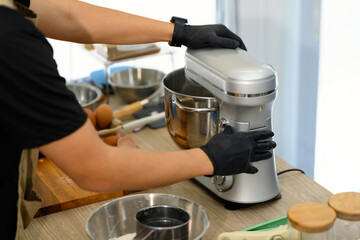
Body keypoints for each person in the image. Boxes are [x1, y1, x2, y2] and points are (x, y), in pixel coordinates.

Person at [0, 0, 276, 239]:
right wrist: (210, 159)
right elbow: (94, 167)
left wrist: (180, 32)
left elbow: (67, 15)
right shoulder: (11, 40)